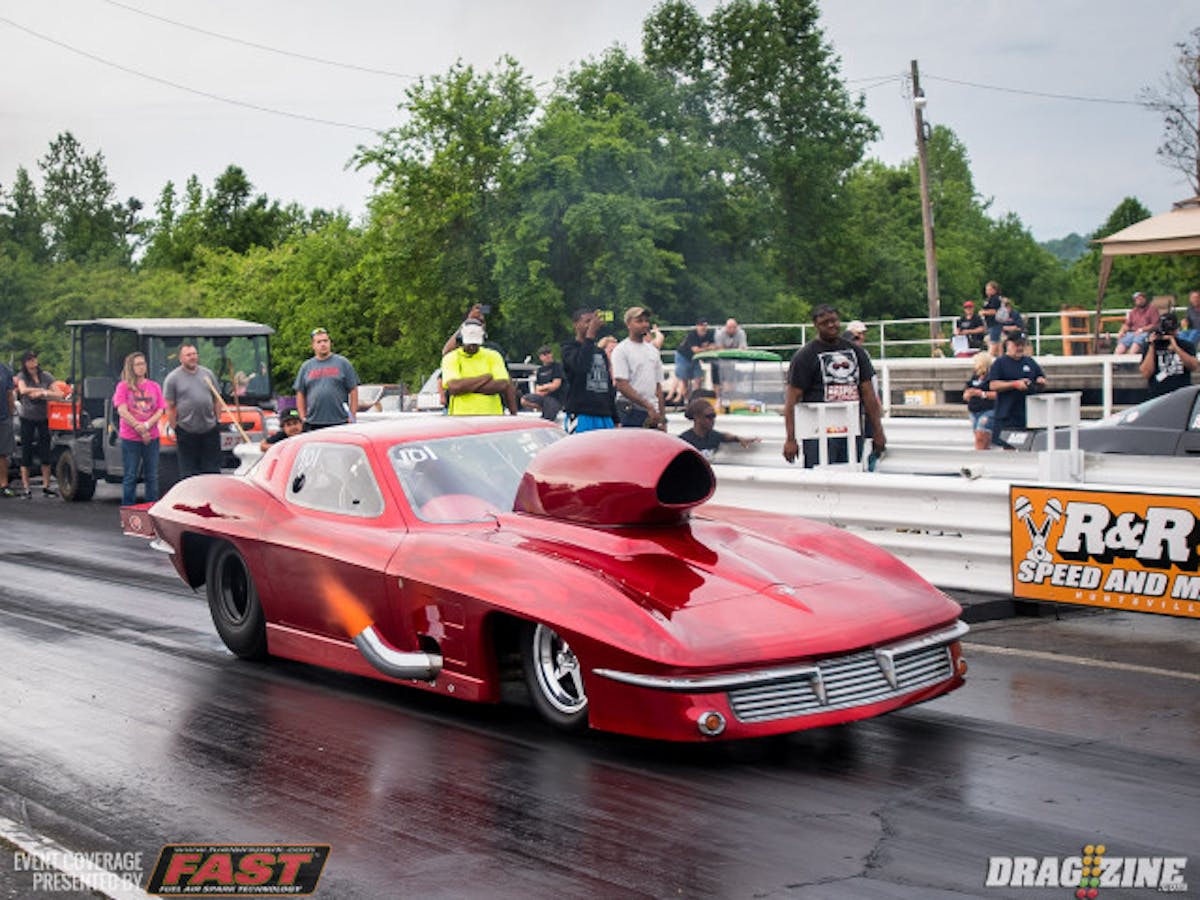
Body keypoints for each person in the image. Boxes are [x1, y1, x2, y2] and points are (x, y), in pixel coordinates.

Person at [782, 305, 886, 468]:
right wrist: (790, 438)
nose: (831, 325)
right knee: (819, 478)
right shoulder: (805, 356)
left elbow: (868, 394)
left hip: (851, 429)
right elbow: (791, 400)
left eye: (834, 320)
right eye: (825, 322)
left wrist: (877, 432)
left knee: (852, 474)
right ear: (816, 325)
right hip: (817, 432)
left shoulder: (856, 352)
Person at [442, 304, 519, 414]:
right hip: (461, 417)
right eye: (475, 321)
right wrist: (485, 378)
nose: (478, 325)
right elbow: (454, 387)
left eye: (481, 322)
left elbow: (503, 384)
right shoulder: (453, 356)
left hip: (493, 416)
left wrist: (465, 388)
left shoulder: (494, 352)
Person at [113, 351, 166, 505]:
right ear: (131, 367)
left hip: (152, 436)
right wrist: (138, 426)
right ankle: (128, 509)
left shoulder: (154, 386)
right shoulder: (123, 387)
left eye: (143, 363)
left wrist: (147, 426)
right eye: (137, 364)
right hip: (131, 437)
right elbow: (122, 410)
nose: (141, 367)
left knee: (152, 475)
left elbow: (160, 409)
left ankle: (151, 508)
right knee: (130, 475)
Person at [164, 344, 222, 477]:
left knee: (212, 471)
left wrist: (218, 420)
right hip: (186, 431)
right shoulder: (173, 378)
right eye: (188, 355)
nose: (192, 357)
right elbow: (170, 406)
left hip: (209, 430)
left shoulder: (207, 374)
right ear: (181, 358)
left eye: (194, 354)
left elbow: (217, 399)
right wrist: (175, 427)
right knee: (189, 473)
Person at [15, 350, 64, 497]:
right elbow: (23, 390)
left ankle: (46, 486)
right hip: (27, 418)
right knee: (26, 452)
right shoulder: (22, 376)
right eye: (29, 360)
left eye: (34, 359)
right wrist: (38, 389)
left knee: (45, 451)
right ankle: (26, 487)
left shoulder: (46, 375)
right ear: (25, 363)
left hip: (43, 417)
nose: (33, 362)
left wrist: (44, 393)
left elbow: (60, 393)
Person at [561, 308, 616, 433]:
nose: (591, 325)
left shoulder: (600, 352)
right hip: (581, 413)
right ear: (575, 325)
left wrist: (615, 417)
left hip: (604, 414)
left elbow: (608, 387)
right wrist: (590, 337)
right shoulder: (568, 348)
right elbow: (581, 367)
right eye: (587, 321)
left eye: (593, 321)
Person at [987, 334, 1047, 449]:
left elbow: (1040, 378)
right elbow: (993, 385)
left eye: (1022, 345)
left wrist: (1041, 381)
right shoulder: (1000, 363)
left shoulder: (1029, 362)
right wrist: (1014, 384)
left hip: (1028, 413)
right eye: (1016, 345)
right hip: (1008, 413)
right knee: (1009, 446)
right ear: (1008, 345)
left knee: (1030, 445)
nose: (1019, 348)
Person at [612, 306, 666, 429]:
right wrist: (647, 405)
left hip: (651, 412)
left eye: (646, 321)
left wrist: (662, 418)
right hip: (630, 410)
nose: (644, 324)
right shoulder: (622, 350)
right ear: (628, 324)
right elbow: (622, 385)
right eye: (639, 321)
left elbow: (658, 386)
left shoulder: (653, 351)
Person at [295, 327, 359, 429]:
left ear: (330, 343)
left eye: (325, 341)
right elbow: (300, 393)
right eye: (319, 342)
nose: (323, 344)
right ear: (313, 345)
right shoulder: (306, 367)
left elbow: (353, 390)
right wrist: (302, 417)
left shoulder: (343, 363)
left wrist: (352, 415)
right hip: (313, 421)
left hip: (340, 420)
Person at [1138, 312, 1198, 398]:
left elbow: (1194, 366)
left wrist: (1176, 348)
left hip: (1182, 395)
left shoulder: (1186, 345)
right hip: (1158, 395)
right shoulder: (1150, 346)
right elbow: (1145, 373)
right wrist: (1152, 347)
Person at [677, 398, 760, 460]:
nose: (712, 420)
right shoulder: (684, 440)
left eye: (714, 416)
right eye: (708, 417)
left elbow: (725, 436)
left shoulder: (713, 436)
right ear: (697, 418)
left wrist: (738, 438)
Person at [961, 351, 996, 450]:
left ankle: (979, 455)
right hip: (974, 410)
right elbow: (967, 389)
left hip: (988, 409)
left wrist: (980, 393)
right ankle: (983, 455)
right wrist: (967, 394)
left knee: (981, 436)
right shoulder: (974, 377)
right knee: (978, 436)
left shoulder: (992, 377)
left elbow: (998, 394)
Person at [673, 318, 714, 402]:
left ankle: (696, 399)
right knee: (685, 381)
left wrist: (703, 348)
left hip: (695, 358)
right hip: (683, 357)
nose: (703, 328)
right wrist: (707, 348)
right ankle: (686, 401)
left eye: (705, 326)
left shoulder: (709, 334)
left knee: (698, 378)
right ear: (697, 326)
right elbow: (695, 350)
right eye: (701, 325)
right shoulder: (692, 335)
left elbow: (714, 346)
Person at [521, 345, 566, 421]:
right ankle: (543, 408)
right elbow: (537, 388)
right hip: (543, 397)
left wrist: (543, 388)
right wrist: (543, 389)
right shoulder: (540, 370)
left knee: (549, 416)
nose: (548, 355)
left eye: (549, 353)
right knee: (524, 400)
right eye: (545, 354)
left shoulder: (557, 366)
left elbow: (555, 385)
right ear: (541, 357)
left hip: (556, 397)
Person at [0, 360, 14, 497]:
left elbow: (10, 393)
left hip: (3, 417)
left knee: (2, 454)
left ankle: (3, 485)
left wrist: (11, 413)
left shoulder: (4, 370)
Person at [981, 281, 1003, 354]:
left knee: (993, 342)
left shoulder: (995, 299)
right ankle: (1001, 356)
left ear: (994, 290)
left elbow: (994, 311)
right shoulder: (988, 299)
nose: (987, 291)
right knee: (998, 341)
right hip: (990, 323)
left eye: (989, 289)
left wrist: (984, 312)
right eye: (986, 290)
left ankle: (989, 356)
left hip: (995, 323)